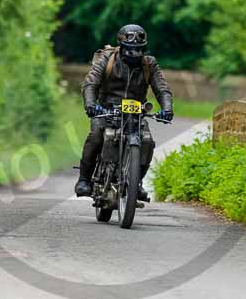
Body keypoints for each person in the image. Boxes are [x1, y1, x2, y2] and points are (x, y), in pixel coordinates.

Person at [75, 24, 174, 199]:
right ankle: (84, 179)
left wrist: (167, 108)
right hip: (106, 110)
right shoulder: (107, 58)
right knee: (96, 136)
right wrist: (91, 105)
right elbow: (90, 84)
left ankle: (136, 183)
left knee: (147, 142)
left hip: (136, 113)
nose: (134, 54)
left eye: (138, 50)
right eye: (130, 49)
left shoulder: (149, 64)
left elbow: (162, 89)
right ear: (121, 45)